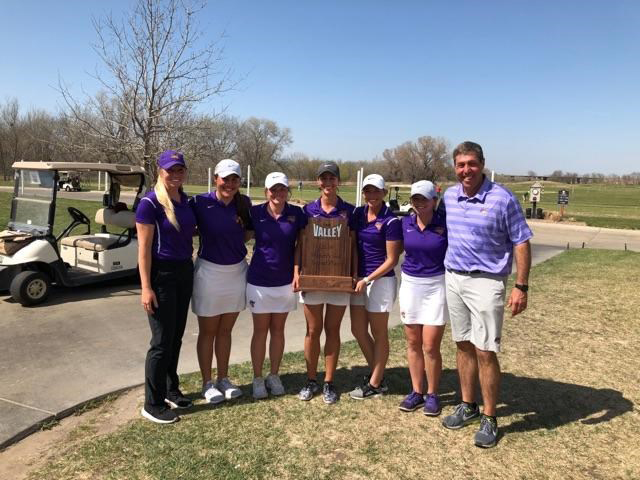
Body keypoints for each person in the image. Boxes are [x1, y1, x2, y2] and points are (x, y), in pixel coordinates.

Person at [441, 141, 532, 448]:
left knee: (484, 351)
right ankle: (468, 405)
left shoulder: (501, 198)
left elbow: (521, 241)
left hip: (487, 281)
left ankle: (490, 417)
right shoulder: (450, 196)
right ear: (455, 167)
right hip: (453, 277)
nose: (466, 170)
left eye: (471, 163)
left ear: (482, 164)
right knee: (463, 345)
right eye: (460, 165)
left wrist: (521, 286)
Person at [136, 150, 197, 424]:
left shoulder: (186, 201)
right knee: (160, 342)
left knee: (176, 337)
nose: (175, 174)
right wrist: (146, 286)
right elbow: (144, 249)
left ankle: (171, 389)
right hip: (161, 276)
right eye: (170, 170)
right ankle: (153, 403)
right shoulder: (150, 203)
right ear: (160, 171)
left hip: (185, 271)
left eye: (179, 169)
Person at [189, 159, 252, 405]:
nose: (230, 183)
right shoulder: (200, 202)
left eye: (234, 179)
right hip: (209, 272)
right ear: (216, 178)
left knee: (225, 331)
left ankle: (223, 378)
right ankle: (207, 383)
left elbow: (248, 232)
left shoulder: (243, 203)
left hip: (236, 271)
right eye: (225, 179)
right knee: (208, 331)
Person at [294, 161, 356, 404]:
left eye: (332, 178)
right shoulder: (307, 211)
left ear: (338, 181)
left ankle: (329, 382)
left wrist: (353, 274)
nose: (328, 182)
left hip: (338, 279)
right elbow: (300, 244)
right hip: (313, 277)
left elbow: (353, 246)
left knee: (332, 330)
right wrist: (297, 272)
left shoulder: (350, 211)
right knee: (312, 330)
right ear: (318, 182)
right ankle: (311, 380)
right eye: (324, 178)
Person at [246, 172, 306, 399]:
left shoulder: (296, 214)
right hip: (259, 280)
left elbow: (301, 244)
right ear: (266, 192)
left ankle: (274, 374)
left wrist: (296, 271)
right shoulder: (255, 212)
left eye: (282, 189)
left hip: (285, 282)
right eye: (274, 189)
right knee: (260, 331)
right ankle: (258, 378)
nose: (278, 193)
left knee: (278, 330)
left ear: (287, 191)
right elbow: (242, 235)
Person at [396, 180, 448, 415]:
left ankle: (433, 394)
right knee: (413, 342)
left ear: (434, 201)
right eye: (415, 199)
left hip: (437, 285)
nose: (419, 203)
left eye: (423, 199)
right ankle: (416, 391)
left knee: (430, 345)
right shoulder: (405, 223)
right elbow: (391, 250)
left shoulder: (444, 224)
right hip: (410, 285)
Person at [348, 174, 401, 399]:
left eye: (376, 191)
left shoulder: (391, 220)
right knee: (358, 330)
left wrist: (367, 279)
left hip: (379, 281)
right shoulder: (358, 214)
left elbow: (392, 259)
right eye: (367, 191)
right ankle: (376, 375)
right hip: (358, 280)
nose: (371, 195)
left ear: (384, 193)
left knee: (378, 333)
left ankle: (375, 382)